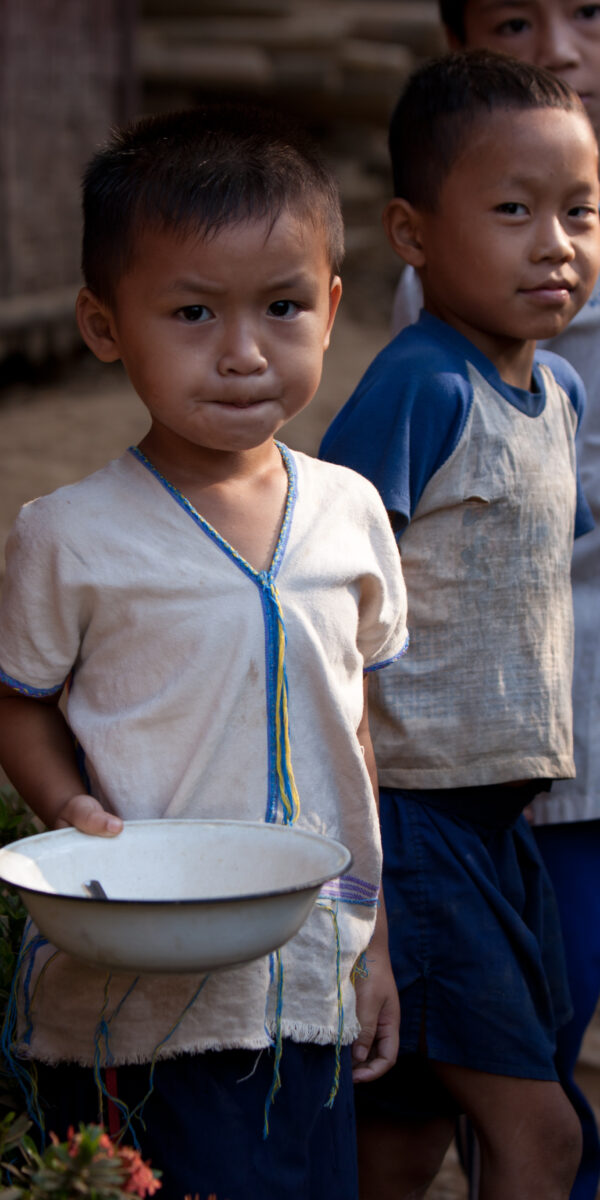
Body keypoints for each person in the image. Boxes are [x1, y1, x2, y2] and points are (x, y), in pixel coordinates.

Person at [0, 105, 408, 1200]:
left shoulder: (350, 514)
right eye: (189, 311)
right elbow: (18, 700)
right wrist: (69, 809)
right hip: (140, 976)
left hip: (307, 960)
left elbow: (352, 724)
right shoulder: (70, 533)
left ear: (331, 308)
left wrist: (376, 945)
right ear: (103, 323)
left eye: (281, 307)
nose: (242, 353)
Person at [318, 50, 600, 1199]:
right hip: (415, 824)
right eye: (511, 211)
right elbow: (318, 582)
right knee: (540, 1135)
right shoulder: (421, 387)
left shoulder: (557, 394)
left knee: (403, 1134)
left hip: (501, 821)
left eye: (579, 211)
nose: (554, 243)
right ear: (412, 233)